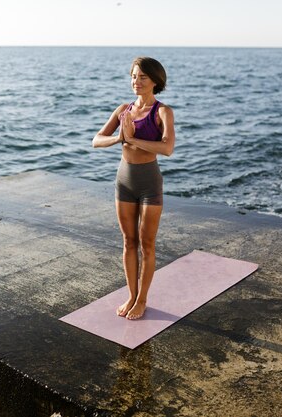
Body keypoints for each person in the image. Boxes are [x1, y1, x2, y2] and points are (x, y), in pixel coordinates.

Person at [92, 56, 175, 320]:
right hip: (124, 181)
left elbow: (167, 148)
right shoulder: (123, 110)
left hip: (150, 183)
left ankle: (142, 299)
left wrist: (134, 139)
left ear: (155, 81)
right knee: (128, 242)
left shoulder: (162, 112)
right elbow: (96, 140)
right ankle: (131, 295)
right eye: (133, 76)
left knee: (147, 243)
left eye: (142, 77)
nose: (136, 82)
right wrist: (120, 138)